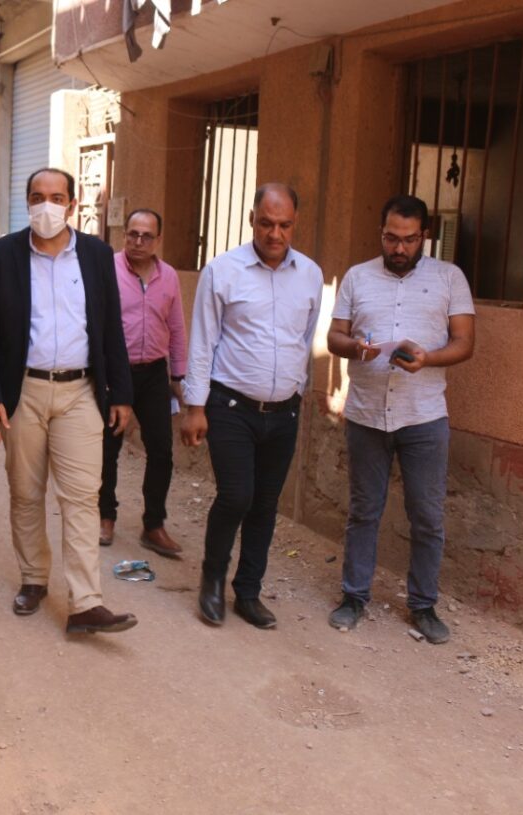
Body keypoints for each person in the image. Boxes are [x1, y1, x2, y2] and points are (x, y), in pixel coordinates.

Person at [0, 167, 137, 635]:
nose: (47, 205)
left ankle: (85, 603)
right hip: (23, 391)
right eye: (38, 197)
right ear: (27, 202)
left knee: (82, 496)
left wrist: (121, 393)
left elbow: (111, 327)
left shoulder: (97, 255)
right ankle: (33, 578)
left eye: (57, 197)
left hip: (81, 392)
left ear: (72, 203)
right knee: (26, 492)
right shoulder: (2, 256)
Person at [325, 194, 475, 644]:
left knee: (427, 516)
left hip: (423, 417)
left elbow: (464, 343)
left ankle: (423, 605)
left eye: (409, 240)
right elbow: (334, 337)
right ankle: (354, 597)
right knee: (363, 511)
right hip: (367, 414)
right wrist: (356, 348)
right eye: (391, 238)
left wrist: (428, 358)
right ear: (381, 233)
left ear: (424, 236)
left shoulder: (450, 278)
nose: (399, 247)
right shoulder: (357, 277)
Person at [182, 183, 323, 630]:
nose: (274, 234)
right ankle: (212, 580)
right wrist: (195, 406)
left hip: (284, 412)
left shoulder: (311, 275)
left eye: (284, 225)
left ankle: (248, 592)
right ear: (251, 220)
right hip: (231, 406)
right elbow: (202, 342)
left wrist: (297, 389)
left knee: (264, 503)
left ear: (295, 224)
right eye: (266, 223)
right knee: (236, 496)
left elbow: (304, 340)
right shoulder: (222, 272)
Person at [99, 208, 187, 558]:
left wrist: (178, 376)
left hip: (153, 373)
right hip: (116, 372)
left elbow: (176, 327)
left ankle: (153, 524)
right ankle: (105, 515)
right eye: (132, 234)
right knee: (108, 447)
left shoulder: (169, 277)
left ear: (158, 240)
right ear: (125, 235)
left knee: (161, 450)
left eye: (146, 236)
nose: (138, 241)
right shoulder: (108, 270)